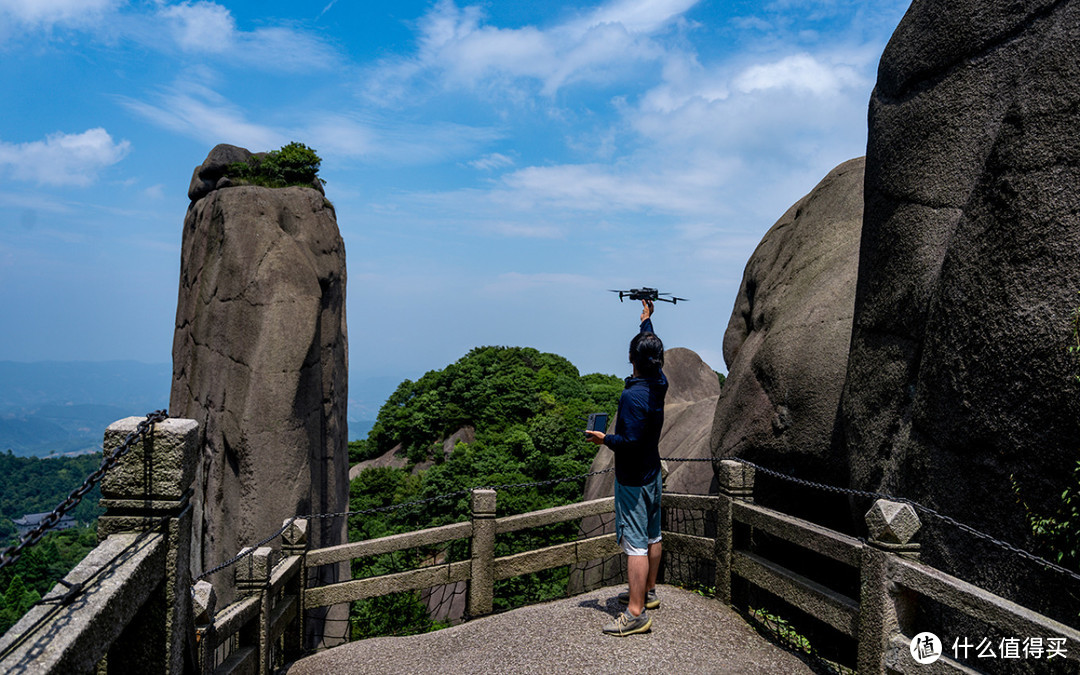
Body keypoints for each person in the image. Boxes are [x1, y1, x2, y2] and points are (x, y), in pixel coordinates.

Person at [586, 298, 666, 636]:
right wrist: (646, 323)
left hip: (633, 478)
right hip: (653, 472)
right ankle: (647, 593)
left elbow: (629, 443)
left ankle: (635, 614)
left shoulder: (632, 397)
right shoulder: (659, 382)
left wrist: (604, 439)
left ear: (632, 359)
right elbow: (651, 352)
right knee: (653, 535)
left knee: (635, 545)